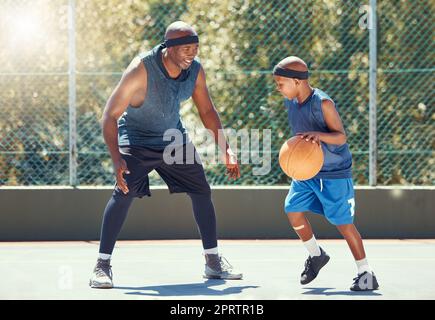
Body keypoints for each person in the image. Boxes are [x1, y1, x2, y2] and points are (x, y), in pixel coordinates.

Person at [89, 21, 242, 289]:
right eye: (186, 48)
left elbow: (207, 111)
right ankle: (102, 266)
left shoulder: (194, 70)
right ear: (168, 48)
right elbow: (110, 115)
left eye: (195, 47)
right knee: (124, 190)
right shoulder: (141, 69)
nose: (192, 53)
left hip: (173, 140)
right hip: (136, 139)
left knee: (202, 190)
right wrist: (117, 158)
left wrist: (225, 149)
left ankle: (213, 262)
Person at [273, 56, 379, 291]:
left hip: (333, 174)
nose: (278, 88)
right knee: (293, 211)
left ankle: (366, 273)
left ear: (297, 81)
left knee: (343, 224)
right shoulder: (291, 102)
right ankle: (316, 255)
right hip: (307, 172)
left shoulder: (323, 103)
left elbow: (341, 136)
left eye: (281, 83)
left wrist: (319, 135)